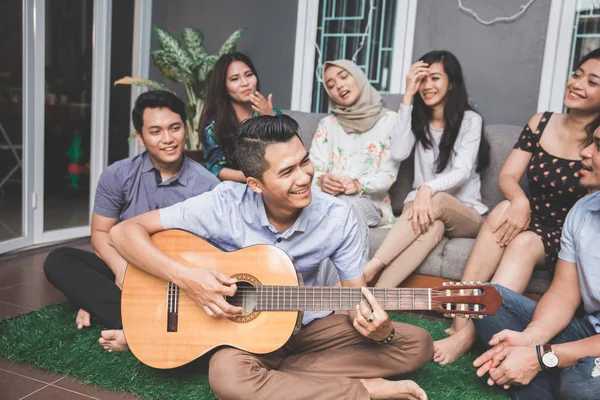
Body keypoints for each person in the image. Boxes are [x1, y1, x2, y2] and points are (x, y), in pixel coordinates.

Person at [108, 115, 433, 400]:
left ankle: (285, 378)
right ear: (254, 184)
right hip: (240, 338)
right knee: (228, 378)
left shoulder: (337, 216)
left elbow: (354, 299)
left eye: (304, 162)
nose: (305, 177)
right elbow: (123, 232)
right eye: (287, 171)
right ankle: (361, 390)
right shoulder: (224, 204)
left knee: (417, 344)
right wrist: (188, 279)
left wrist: (380, 330)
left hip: (307, 329)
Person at [433, 48, 600, 365]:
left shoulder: (598, 144)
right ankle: (459, 322)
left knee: (523, 243)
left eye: (592, 81)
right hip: (531, 216)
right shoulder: (541, 122)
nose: (577, 84)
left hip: (567, 232)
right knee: (500, 213)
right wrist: (520, 200)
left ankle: (469, 337)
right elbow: (508, 174)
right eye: (577, 74)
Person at [43, 90, 220, 352]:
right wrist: (121, 270)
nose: (168, 139)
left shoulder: (208, 186)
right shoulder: (118, 175)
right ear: (140, 137)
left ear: (186, 129)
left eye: (175, 128)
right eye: (156, 131)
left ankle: (118, 316)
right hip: (128, 265)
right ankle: (140, 322)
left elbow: (215, 252)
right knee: (59, 260)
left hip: (177, 278)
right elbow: (101, 234)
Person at [471, 118, 600, 400]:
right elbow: (565, 291)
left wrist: (543, 357)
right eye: (591, 141)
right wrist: (532, 339)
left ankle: (552, 373)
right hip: (588, 331)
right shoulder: (583, 210)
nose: (585, 152)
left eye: (598, 146)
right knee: (483, 297)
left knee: (583, 388)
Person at [363, 50, 489, 287]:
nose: (427, 85)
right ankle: (376, 298)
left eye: (435, 78)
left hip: (465, 213)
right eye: (422, 79)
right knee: (433, 227)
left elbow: (461, 172)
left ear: (451, 82)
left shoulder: (471, 120)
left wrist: (425, 189)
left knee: (438, 200)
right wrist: (408, 96)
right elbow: (398, 152)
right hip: (427, 212)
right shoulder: (417, 119)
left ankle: (370, 269)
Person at [310, 60, 402, 229]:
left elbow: (388, 175)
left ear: (358, 77)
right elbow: (312, 170)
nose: (339, 86)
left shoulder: (391, 121)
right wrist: (322, 180)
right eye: (331, 85)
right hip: (330, 203)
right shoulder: (327, 125)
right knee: (333, 207)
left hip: (372, 206)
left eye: (344, 77)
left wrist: (358, 185)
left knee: (346, 205)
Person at [199, 52, 281, 183]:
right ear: (224, 87)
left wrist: (270, 120)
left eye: (249, 75)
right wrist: (257, 178)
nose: (245, 83)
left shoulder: (272, 113)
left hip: (274, 185)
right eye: (234, 79)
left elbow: (288, 154)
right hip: (233, 189)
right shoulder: (214, 123)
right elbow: (216, 169)